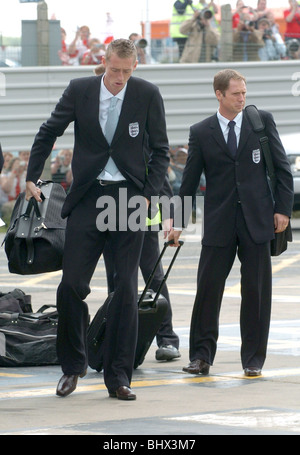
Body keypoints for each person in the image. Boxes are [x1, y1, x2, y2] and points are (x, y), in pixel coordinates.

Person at [25, 39, 169, 400]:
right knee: (71, 285)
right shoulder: (80, 90)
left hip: (128, 199)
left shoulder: (147, 94)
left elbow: (162, 150)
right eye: (114, 69)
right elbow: (48, 131)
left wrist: (148, 196)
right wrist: (31, 175)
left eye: (127, 70)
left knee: (124, 290)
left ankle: (118, 376)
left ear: (135, 67)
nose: (120, 77)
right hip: (88, 198)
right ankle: (73, 367)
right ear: (103, 63)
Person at [168, 69, 294, 377]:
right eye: (236, 93)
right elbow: (189, 181)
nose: (242, 98)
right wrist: (177, 221)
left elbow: (281, 169)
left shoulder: (260, 121)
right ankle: (200, 356)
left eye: (244, 93)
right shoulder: (201, 131)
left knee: (256, 292)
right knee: (208, 290)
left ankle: (253, 359)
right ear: (219, 94)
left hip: (257, 219)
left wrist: (283, 211)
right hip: (219, 221)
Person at [103, 173, 180, 362]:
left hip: (144, 221)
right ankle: (118, 339)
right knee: (117, 281)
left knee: (154, 278)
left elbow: (159, 177)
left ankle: (167, 339)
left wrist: (171, 216)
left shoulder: (139, 144)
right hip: (110, 219)